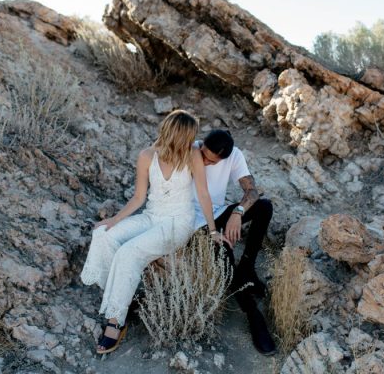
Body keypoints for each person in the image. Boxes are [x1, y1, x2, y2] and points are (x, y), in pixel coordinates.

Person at [80, 110, 218, 355]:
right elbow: (138, 198)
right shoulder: (146, 156)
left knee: (129, 252)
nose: (193, 140)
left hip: (177, 223)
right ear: (178, 134)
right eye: (190, 135)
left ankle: (115, 322)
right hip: (151, 217)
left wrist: (214, 231)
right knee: (103, 235)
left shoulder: (192, 155)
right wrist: (113, 220)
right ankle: (121, 295)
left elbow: (204, 194)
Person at [193, 129, 276, 355]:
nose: (206, 162)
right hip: (194, 224)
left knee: (264, 207)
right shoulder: (192, 149)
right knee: (226, 254)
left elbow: (252, 191)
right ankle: (252, 313)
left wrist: (238, 212)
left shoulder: (234, 155)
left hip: (218, 213)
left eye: (212, 161)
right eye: (204, 155)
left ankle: (248, 267)